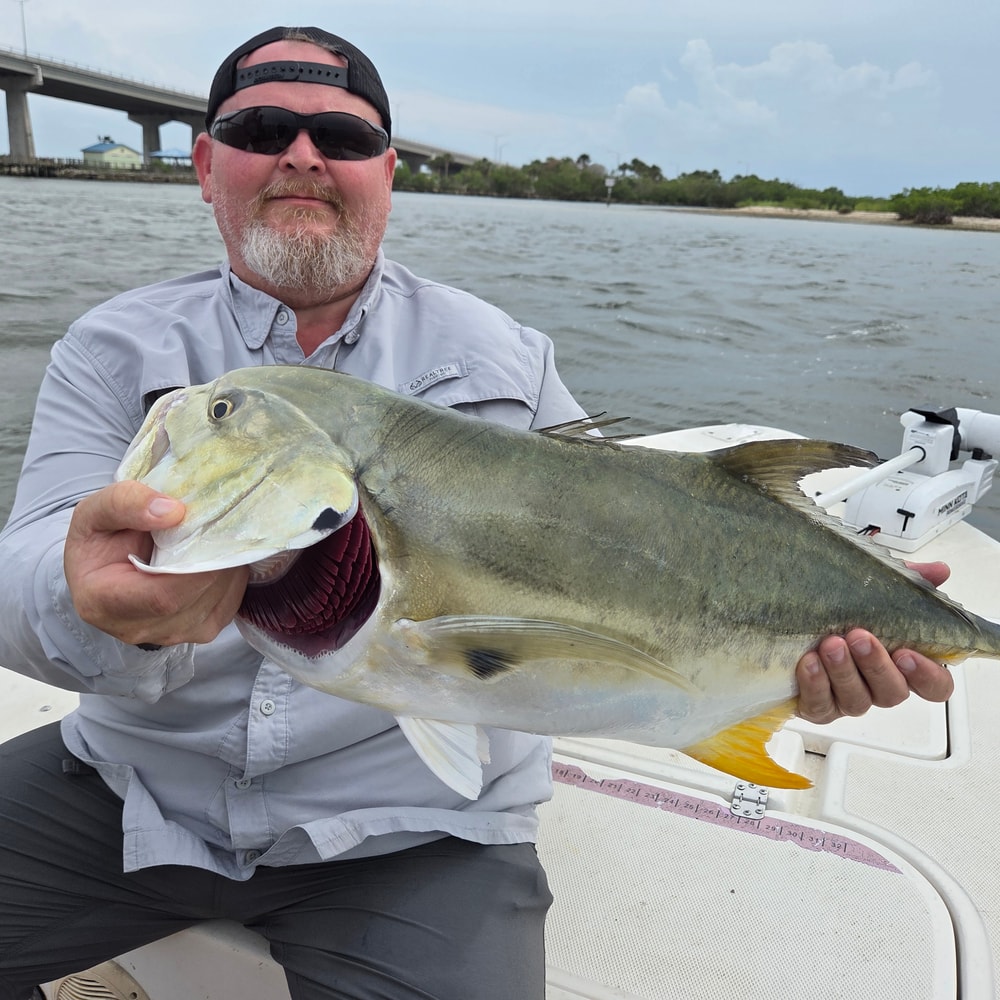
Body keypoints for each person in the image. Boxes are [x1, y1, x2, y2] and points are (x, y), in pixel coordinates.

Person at [0, 25, 954, 1000]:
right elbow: (19, 581)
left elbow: (635, 546)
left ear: (386, 174)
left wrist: (790, 659)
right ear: (206, 165)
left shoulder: (507, 358)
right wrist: (85, 598)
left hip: (418, 829)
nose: (303, 155)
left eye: (343, 137)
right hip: (129, 790)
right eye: (262, 129)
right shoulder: (113, 351)